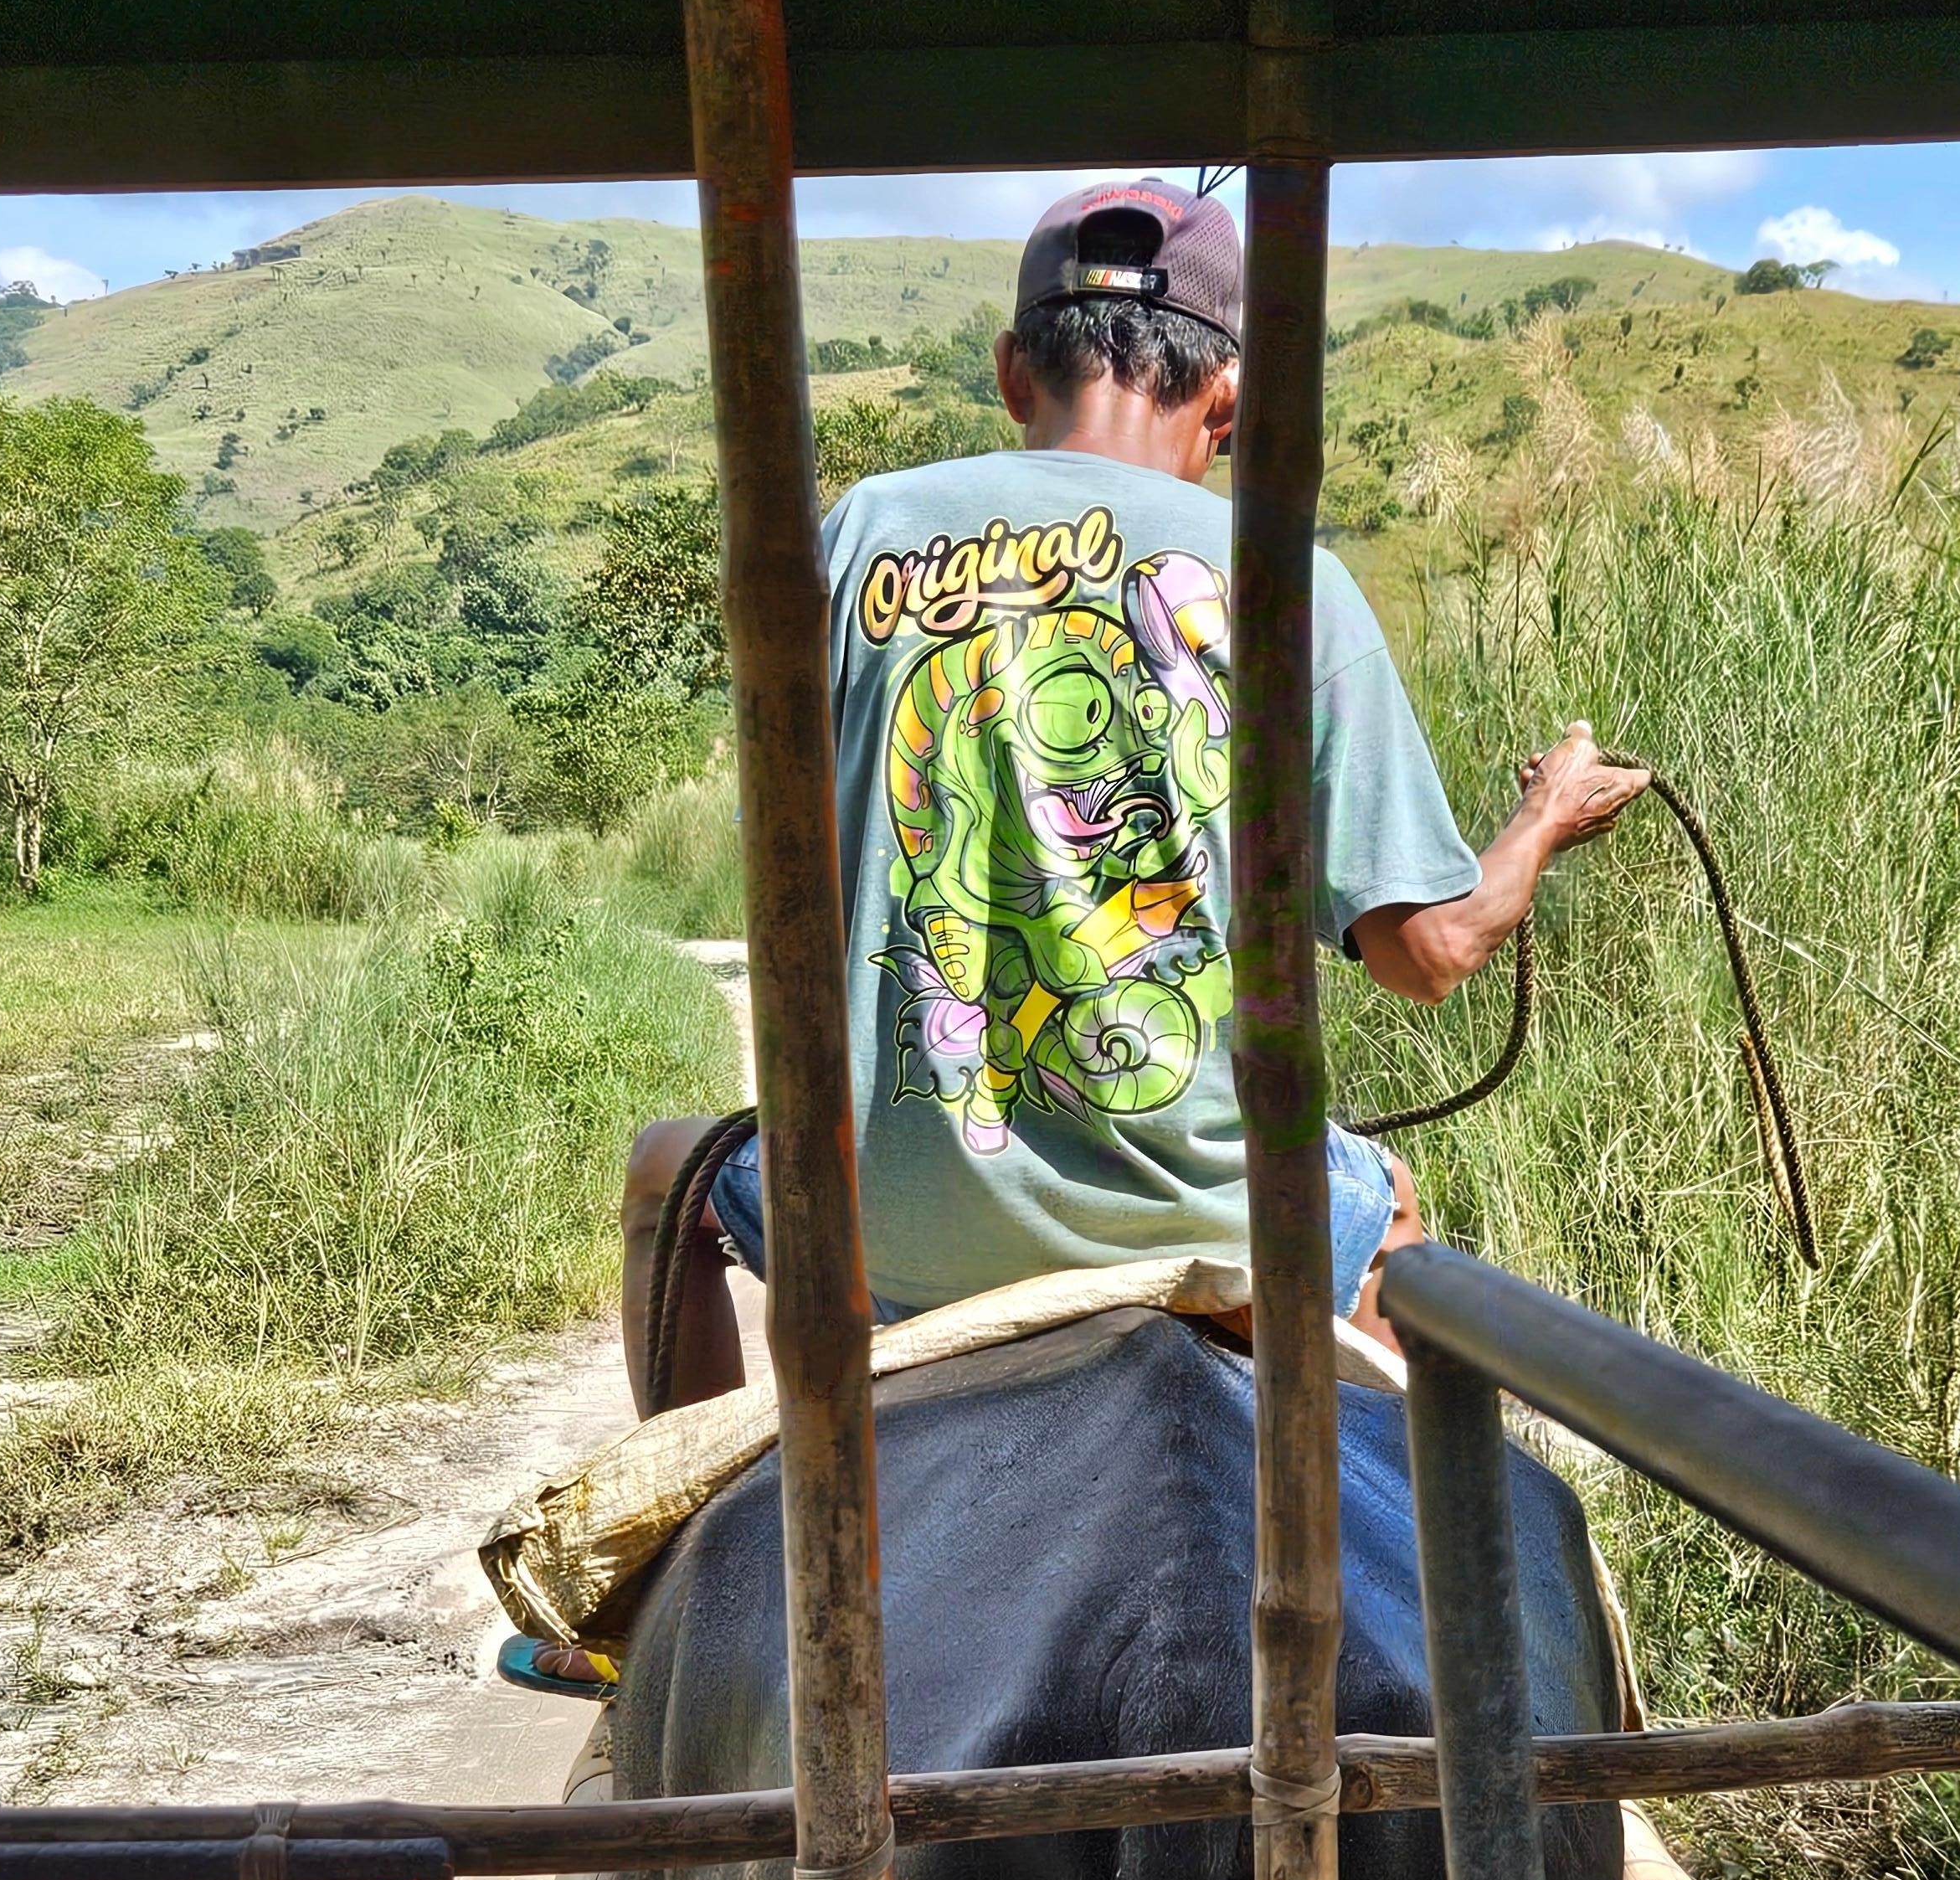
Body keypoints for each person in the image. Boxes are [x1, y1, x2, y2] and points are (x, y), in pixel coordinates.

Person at [625, 176, 1644, 1414]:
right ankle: (1410, 1528)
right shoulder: (1293, 583)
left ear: (1014, 374)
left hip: (883, 1238)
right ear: (1230, 397)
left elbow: (804, 877)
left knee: (663, 1174)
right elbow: (1427, 953)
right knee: (1386, 1217)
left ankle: (684, 1499)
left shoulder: (857, 535)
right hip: (1206, 1229)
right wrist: (1546, 815)